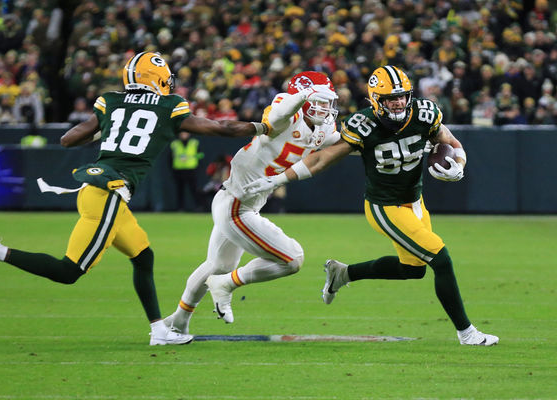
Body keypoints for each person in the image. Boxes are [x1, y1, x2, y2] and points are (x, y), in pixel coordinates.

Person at [0, 51, 268, 346]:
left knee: (143, 256)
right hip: (108, 192)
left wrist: (107, 131)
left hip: (101, 189)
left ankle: (159, 330)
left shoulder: (112, 101)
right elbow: (220, 127)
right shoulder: (169, 105)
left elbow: (67, 140)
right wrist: (262, 127)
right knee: (69, 271)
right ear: (155, 77)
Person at [245, 66, 499, 346]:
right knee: (441, 259)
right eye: (391, 98)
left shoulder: (425, 113)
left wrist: (459, 165)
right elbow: (322, 159)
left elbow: (450, 141)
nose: (399, 102)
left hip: (415, 201)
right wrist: (277, 179)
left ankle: (343, 273)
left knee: (413, 269)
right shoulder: (363, 125)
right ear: (376, 100)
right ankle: (467, 333)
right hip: (385, 207)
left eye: (402, 96)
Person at [162, 71, 340, 334]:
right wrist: (300, 96)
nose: (325, 108)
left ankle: (176, 322)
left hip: (243, 201)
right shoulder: (286, 108)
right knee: (292, 259)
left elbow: (347, 143)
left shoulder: (324, 128)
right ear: (302, 98)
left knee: (218, 265)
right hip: (238, 203)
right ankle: (226, 284)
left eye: (328, 102)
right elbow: (278, 117)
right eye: (320, 100)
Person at [168, 131, 203, 211]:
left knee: (194, 189)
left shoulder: (194, 143)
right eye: (182, 133)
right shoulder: (174, 144)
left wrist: (194, 160)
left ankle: (199, 207)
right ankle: (180, 208)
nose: (183, 135)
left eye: (185, 133)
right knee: (180, 190)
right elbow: (170, 158)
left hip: (191, 170)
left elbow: (201, 155)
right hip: (178, 170)